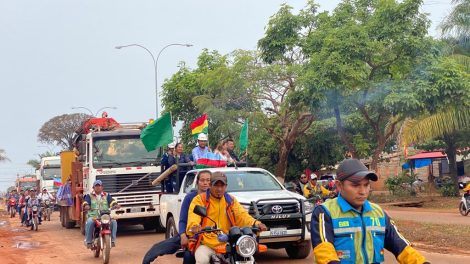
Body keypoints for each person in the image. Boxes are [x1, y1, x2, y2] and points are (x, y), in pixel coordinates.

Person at [311, 159, 428, 264]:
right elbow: (324, 250)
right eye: (355, 185)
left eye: (366, 185)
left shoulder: (379, 213)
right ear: (339, 185)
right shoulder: (324, 212)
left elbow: (401, 246)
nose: (363, 191)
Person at [186, 172, 267, 264]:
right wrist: (195, 226)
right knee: (202, 261)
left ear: (226, 186)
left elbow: (242, 215)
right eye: (216, 185)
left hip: (229, 243)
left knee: (249, 260)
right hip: (207, 244)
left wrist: (256, 223)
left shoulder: (230, 200)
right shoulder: (199, 199)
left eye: (222, 186)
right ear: (210, 185)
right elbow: (194, 217)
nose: (219, 189)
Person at [142, 170, 212, 264]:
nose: (205, 183)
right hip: (191, 235)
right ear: (197, 182)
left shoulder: (217, 198)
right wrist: (183, 235)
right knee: (185, 255)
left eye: (208, 180)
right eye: (202, 180)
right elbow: (183, 220)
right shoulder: (189, 198)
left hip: (212, 236)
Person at [83, 180, 120, 248]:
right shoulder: (89, 196)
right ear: (93, 187)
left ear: (102, 187)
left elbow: (112, 201)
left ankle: (112, 241)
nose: (98, 187)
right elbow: (85, 202)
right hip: (94, 216)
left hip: (105, 216)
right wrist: (86, 206)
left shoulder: (107, 195)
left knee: (114, 222)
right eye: (96, 186)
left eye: (99, 186)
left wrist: (115, 205)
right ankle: (88, 242)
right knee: (90, 222)